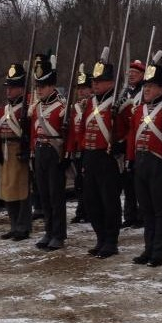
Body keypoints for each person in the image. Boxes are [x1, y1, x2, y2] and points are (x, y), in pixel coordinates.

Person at [126, 53, 162, 267]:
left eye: (151, 86)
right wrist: (131, 160)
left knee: (160, 211)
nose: (147, 90)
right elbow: (133, 135)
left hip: (161, 163)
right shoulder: (139, 110)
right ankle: (148, 248)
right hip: (141, 162)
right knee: (146, 210)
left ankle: (159, 251)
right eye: (146, 86)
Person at [72, 47, 129, 258]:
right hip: (90, 156)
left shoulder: (120, 102)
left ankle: (111, 241)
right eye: (93, 81)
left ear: (111, 82)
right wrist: (81, 152)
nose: (94, 84)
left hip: (108, 158)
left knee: (109, 201)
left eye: (99, 81)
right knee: (92, 201)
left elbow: (129, 130)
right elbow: (83, 130)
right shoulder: (90, 103)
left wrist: (120, 145)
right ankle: (100, 238)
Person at [29, 54, 68, 250]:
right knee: (43, 195)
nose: (39, 90)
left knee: (55, 196)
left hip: (54, 153)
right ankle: (48, 231)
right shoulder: (37, 107)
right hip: (40, 151)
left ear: (52, 86)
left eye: (42, 86)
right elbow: (33, 133)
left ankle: (59, 234)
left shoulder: (61, 107)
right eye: (37, 86)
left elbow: (67, 135)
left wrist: (66, 156)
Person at [0, 63, 31, 241]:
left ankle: (23, 227)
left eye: (13, 87)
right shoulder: (4, 110)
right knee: (8, 190)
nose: (8, 91)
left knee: (22, 191)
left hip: (18, 150)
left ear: (21, 89)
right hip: (5, 150)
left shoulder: (27, 108)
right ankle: (13, 225)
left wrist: (27, 149)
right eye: (8, 87)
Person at [118, 59, 145, 228]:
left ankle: (141, 215)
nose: (131, 76)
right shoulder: (125, 93)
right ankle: (129, 215)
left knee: (140, 181)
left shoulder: (145, 92)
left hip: (139, 137)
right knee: (128, 181)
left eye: (135, 74)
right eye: (130, 74)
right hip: (125, 139)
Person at [69, 65, 93, 224]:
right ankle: (81, 209)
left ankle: (90, 210)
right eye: (79, 89)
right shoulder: (73, 108)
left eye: (85, 88)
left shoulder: (93, 105)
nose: (81, 92)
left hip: (89, 148)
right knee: (79, 182)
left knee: (89, 182)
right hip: (78, 149)